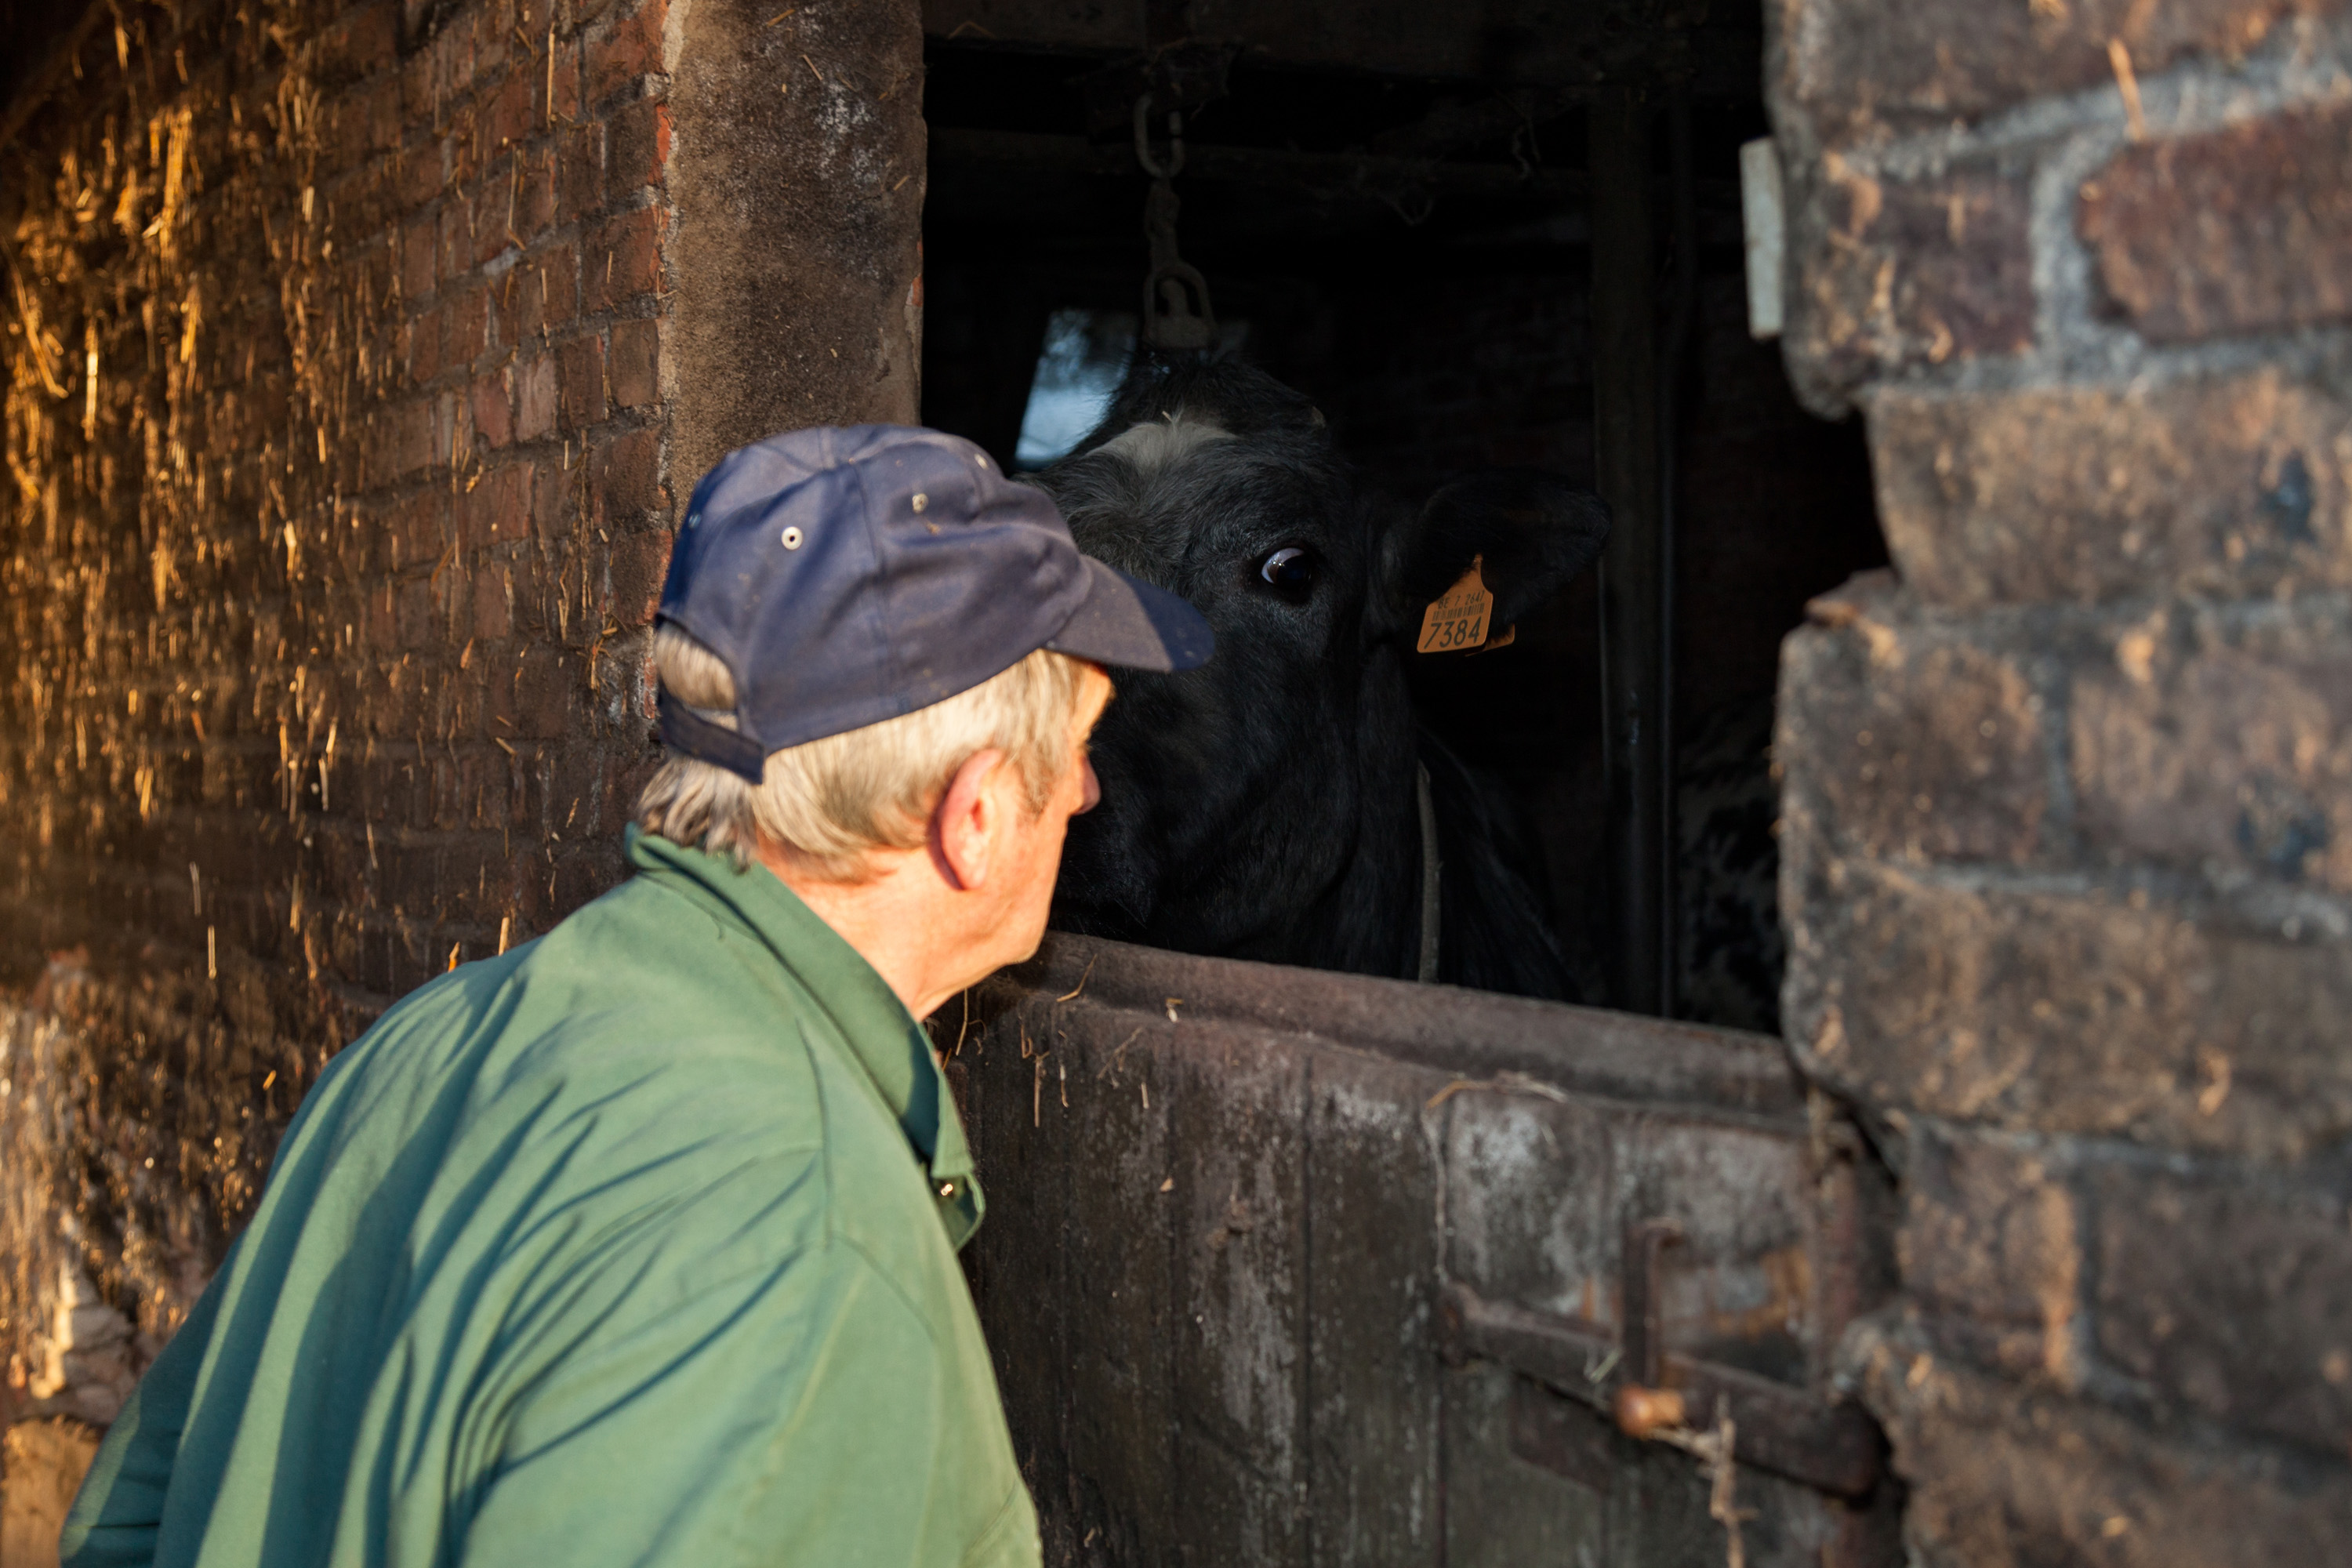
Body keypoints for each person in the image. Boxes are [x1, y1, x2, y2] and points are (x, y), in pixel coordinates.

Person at [58, 425, 1214, 1568]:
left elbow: (129, 1523)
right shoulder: (794, 1241)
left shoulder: (429, 1041)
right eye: (1076, 744)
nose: (1087, 788)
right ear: (971, 817)